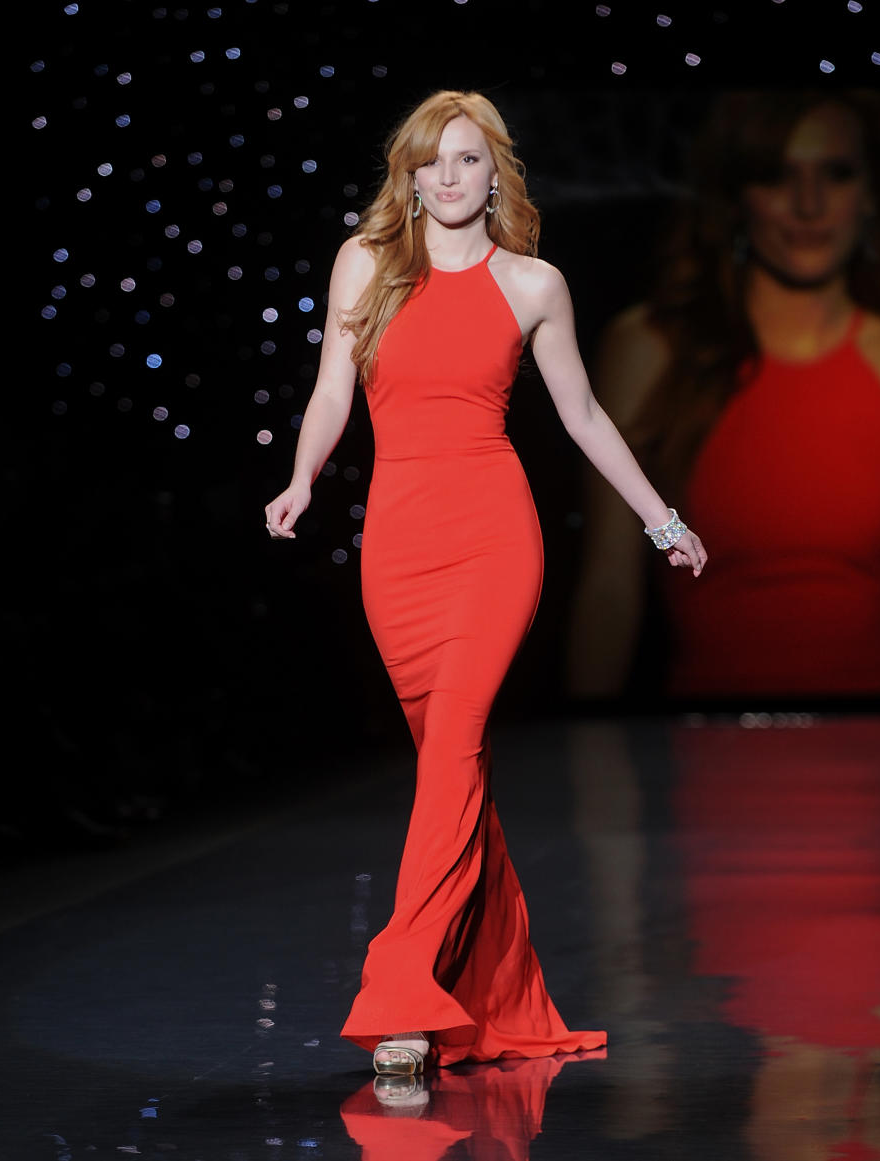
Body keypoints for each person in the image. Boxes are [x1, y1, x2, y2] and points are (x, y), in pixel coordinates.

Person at [264, 89, 707, 1075]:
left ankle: (403, 992)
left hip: (494, 541)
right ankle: (495, 996)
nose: (450, 177)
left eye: (468, 160)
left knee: (455, 744)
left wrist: (661, 519)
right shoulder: (365, 262)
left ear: (495, 171)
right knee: (448, 766)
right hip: (398, 546)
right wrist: (299, 480)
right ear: (409, 175)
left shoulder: (534, 284)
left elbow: (585, 416)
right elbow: (332, 389)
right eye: (432, 162)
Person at [567, 87, 880, 707]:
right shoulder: (650, 350)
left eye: (837, 173)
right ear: (738, 197)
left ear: (872, 193)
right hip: (690, 766)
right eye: (777, 176)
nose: (809, 205)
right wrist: (585, 770)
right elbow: (608, 588)